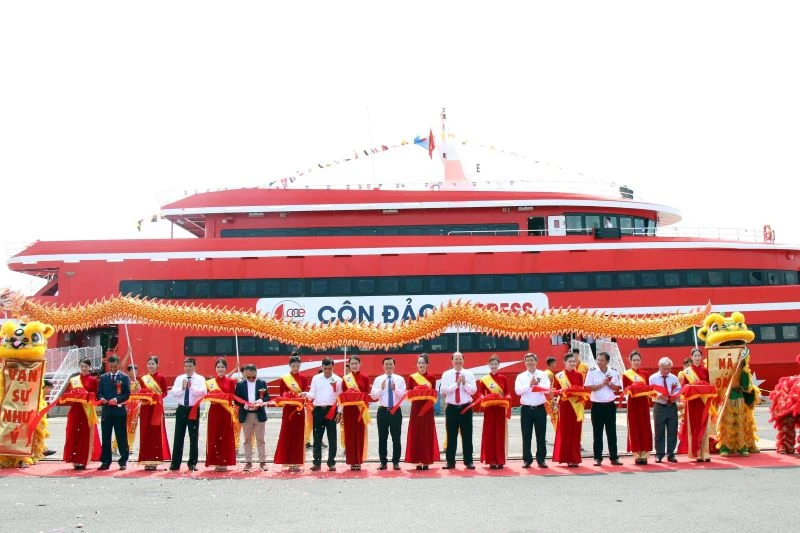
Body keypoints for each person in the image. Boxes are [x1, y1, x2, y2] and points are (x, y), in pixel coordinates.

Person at [168, 358, 207, 471]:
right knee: (178, 436)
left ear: (195, 367)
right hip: (181, 409)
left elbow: (203, 392)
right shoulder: (180, 378)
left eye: (190, 366)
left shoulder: (200, 379)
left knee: (193, 437)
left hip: (193, 409)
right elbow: (174, 393)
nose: (188, 368)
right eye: (186, 366)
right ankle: (175, 463)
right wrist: (182, 388)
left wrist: (191, 387)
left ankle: (192, 463)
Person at [440, 351, 477, 470]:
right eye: (456, 359)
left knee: (467, 435)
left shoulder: (469, 374)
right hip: (451, 408)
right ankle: (450, 462)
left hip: (466, 407)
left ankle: (468, 461)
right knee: (451, 435)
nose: (458, 361)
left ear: (463, 360)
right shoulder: (446, 374)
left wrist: (465, 384)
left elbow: (473, 391)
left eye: (460, 359)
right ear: (452, 361)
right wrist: (456, 385)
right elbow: (444, 390)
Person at [63, 358, 101, 470]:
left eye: (86, 366)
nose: (84, 368)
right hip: (76, 410)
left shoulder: (93, 380)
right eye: (82, 366)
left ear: (90, 367)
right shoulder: (74, 380)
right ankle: (74, 459)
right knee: (74, 433)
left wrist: (86, 395)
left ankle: (83, 460)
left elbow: (96, 396)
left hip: (87, 411)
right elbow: (68, 394)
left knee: (85, 435)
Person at [585, 351, 622, 466]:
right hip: (597, 405)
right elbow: (587, 387)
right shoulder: (592, 372)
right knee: (597, 433)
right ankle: (597, 457)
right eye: (598, 360)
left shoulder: (613, 371)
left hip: (610, 405)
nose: (599, 362)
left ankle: (614, 457)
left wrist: (609, 384)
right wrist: (602, 384)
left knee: (612, 432)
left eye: (601, 360)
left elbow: (617, 388)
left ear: (607, 361)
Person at [274, 353, 309, 472]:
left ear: (300, 365)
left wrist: (298, 399)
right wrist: (287, 398)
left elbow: (305, 395)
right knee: (287, 434)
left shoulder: (304, 378)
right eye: (293, 366)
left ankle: (297, 462)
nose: (295, 368)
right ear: (289, 365)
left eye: (297, 366)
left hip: (299, 410)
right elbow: (281, 395)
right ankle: (287, 461)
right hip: (288, 409)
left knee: (298, 436)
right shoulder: (284, 379)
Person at [515, 352, 551, 468]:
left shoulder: (543, 374)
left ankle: (541, 459)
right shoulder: (520, 376)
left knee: (541, 435)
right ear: (525, 363)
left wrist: (536, 386)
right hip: (526, 409)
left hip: (540, 408)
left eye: (532, 360)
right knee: (526, 435)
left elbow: (547, 389)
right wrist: (529, 385)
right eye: (528, 360)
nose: (530, 362)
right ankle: (527, 459)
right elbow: (518, 391)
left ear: (536, 361)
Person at [404, 353, 439, 470]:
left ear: (427, 364)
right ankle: (417, 460)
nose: (421, 365)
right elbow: (408, 394)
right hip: (416, 409)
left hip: (427, 409)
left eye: (423, 363)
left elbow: (434, 395)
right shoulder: (412, 378)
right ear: (416, 365)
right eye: (419, 363)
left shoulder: (432, 378)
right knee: (417, 433)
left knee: (427, 433)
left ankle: (426, 460)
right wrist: (415, 391)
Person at [96, 355, 131, 470]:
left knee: (121, 437)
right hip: (107, 411)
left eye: (115, 366)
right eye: (111, 367)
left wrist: (116, 400)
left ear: (119, 364)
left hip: (119, 411)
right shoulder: (103, 377)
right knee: (106, 437)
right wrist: (102, 399)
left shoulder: (124, 377)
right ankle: (106, 461)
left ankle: (123, 461)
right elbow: (99, 393)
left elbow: (127, 394)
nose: (113, 369)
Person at [371, 357, 406, 470]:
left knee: (396, 438)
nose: (389, 366)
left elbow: (403, 396)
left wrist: (395, 389)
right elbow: (373, 396)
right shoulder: (378, 379)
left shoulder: (400, 379)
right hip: (382, 411)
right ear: (383, 366)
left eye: (391, 364)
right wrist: (381, 389)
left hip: (395, 411)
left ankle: (396, 462)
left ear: (394, 366)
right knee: (382, 437)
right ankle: (383, 462)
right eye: (386, 364)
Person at [307, 358, 342, 471]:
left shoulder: (338, 379)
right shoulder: (316, 378)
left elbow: (340, 398)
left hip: (331, 411)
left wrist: (340, 412)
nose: (327, 371)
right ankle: (316, 463)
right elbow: (312, 394)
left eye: (329, 368)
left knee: (332, 438)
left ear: (333, 367)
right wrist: (305, 394)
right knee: (317, 438)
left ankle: (331, 462)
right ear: (322, 367)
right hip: (318, 411)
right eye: (325, 368)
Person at [137, 355, 170, 471]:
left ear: (157, 365)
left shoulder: (161, 377)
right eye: (149, 363)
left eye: (153, 364)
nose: (150, 366)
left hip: (156, 408)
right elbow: (139, 393)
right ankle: (145, 460)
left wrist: (157, 397)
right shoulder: (143, 378)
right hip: (146, 408)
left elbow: (165, 393)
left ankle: (155, 460)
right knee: (145, 434)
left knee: (155, 434)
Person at [234, 363, 269, 471]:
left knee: (260, 439)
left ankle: (262, 462)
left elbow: (267, 396)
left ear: (256, 373)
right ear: (245, 374)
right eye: (248, 377)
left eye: (253, 377)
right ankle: (248, 462)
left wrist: (261, 401)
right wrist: (243, 404)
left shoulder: (262, 382)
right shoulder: (240, 384)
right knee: (247, 439)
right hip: (246, 414)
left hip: (259, 414)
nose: (251, 379)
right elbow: (236, 399)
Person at [679, 348, 712, 462]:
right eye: (695, 356)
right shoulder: (687, 372)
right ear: (691, 357)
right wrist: (693, 387)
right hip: (693, 403)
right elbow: (684, 389)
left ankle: (705, 453)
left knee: (705, 427)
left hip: (704, 403)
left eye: (699, 356)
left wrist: (702, 385)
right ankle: (696, 452)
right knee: (695, 428)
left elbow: (709, 385)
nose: (697, 358)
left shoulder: (705, 371)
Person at [552, 352, 585, 467]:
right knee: (566, 432)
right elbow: (554, 391)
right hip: (565, 406)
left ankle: (575, 458)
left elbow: (582, 389)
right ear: (564, 362)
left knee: (576, 432)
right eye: (570, 361)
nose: (572, 363)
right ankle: (566, 458)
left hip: (576, 406)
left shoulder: (579, 375)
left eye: (573, 361)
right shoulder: (559, 376)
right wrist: (562, 392)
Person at [478, 354, 509, 469]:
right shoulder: (484, 379)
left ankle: (500, 460)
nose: (494, 366)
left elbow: (507, 393)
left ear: (498, 365)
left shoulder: (503, 378)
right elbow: (480, 393)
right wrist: (484, 398)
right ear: (488, 365)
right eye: (492, 364)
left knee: (500, 434)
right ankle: (491, 460)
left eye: (496, 364)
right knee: (490, 434)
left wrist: (507, 398)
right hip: (489, 409)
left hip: (500, 408)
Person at [206, 358, 238, 471]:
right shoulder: (210, 382)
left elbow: (232, 396)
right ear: (215, 368)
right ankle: (215, 461)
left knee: (225, 437)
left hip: (225, 412)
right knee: (214, 435)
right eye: (218, 367)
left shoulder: (231, 382)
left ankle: (224, 462)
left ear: (226, 369)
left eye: (222, 367)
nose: (220, 369)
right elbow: (207, 396)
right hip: (214, 411)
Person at [622, 350, 653, 465]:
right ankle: (636, 454)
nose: (636, 362)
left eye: (638, 360)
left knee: (644, 427)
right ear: (630, 361)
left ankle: (644, 454)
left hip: (644, 402)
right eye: (634, 360)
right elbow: (626, 390)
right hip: (633, 403)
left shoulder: (645, 374)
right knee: (634, 427)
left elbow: (648, 388)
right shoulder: (626, 374)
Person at [649, 357, 681, 463]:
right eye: (664, 368)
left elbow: (678, 389)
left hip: (671, 406)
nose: (667, 371)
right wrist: (659, 395)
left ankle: (671, 453)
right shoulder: (653, 378)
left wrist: (675, 395)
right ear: (659, 367)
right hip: (659, 406)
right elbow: (650, 391)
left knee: (672, 430)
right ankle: (659, 454)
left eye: (669, 369)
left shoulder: (673, 378)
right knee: (659, 431)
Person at [341, 355, 370, 471]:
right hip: (349, 410)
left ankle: (359, 460)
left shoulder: (365, 377)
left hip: (360, 410)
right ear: (349, 365)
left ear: (360, 364)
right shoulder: (345, 378)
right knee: (350, 436)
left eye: (356, 363)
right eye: (352, 364)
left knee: (359, 435)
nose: (354, 365)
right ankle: (352, 461)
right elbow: (343, 395)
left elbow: (366, 394)